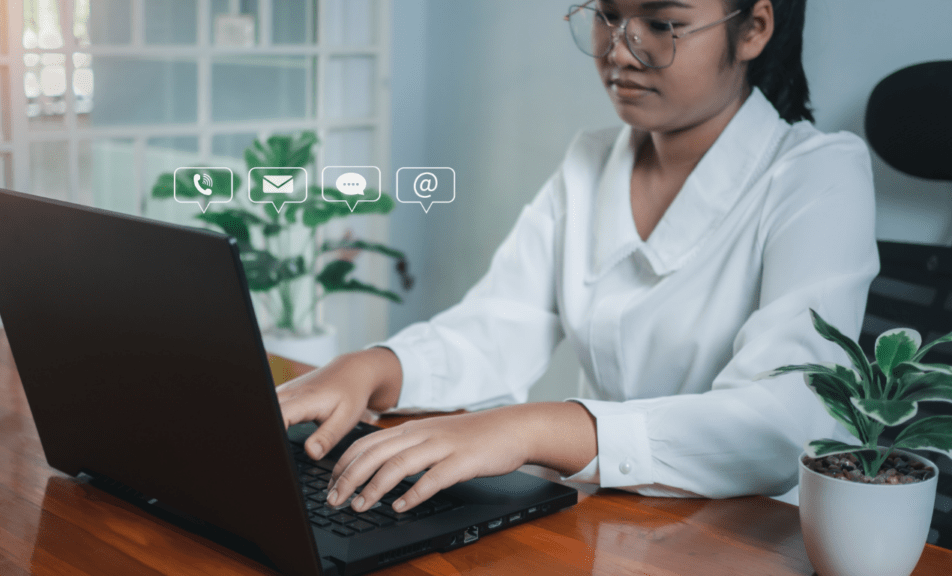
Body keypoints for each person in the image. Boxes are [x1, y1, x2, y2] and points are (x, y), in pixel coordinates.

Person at [278, 0, 879, 513]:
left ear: (753, 28)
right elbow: (497, 326)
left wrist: (532, 428)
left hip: (746, 537)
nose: (621, 50)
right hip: (606, 519)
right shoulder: (591, 160)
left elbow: (784, 421)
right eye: (608, 16)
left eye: (663, 22)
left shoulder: (819, 174)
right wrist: (371, 368)